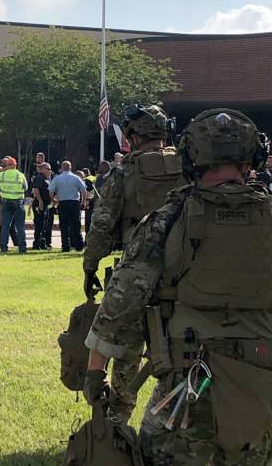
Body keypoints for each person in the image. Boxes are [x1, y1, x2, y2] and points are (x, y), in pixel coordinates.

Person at [83, 108, 272, 466]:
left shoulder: (166, 222)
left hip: (185, 390)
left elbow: (118, 308)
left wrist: (95, 375)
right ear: (254, 160)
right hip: (260, 389)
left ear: (190, 157)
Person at [81, 104, 187, 423]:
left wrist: (90, 267)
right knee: (183, 346)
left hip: (136, 269)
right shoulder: (188, 166)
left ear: (133, 135)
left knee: (127, 348)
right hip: (185, 271)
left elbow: (101, 225)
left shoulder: (124, 171)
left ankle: (117, 420)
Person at [49, 161, 87, 253]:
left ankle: (65, 246)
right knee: (76, 225)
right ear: (70, 167)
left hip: (63, 203)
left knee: (64, 226)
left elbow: (50, 192)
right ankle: (79, 245)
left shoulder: (57, 179)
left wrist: (54, 200)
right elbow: (84, 191)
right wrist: (83, 201)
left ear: (62, 168)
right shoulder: (76, 178)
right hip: (74, 203)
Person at [0, 156, 27, 253]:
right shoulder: (20, 175)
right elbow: (25, 187)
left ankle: (3, 248)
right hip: (18, 202)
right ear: (15, 165)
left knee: (5, 226)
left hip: (6, 202)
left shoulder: (2, 175)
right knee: (20, 226)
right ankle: (22, 249)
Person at [30, 162, 53, 250]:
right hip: (39, 204)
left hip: (46, 205)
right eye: (48, 169)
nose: (50, 171)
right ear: (43, 169)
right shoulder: (39, 178)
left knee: (44, 225)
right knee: (39, 224)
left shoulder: (48, 178)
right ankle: (37, 244)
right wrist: (40, 201)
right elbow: (36, 190)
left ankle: (43, 243)